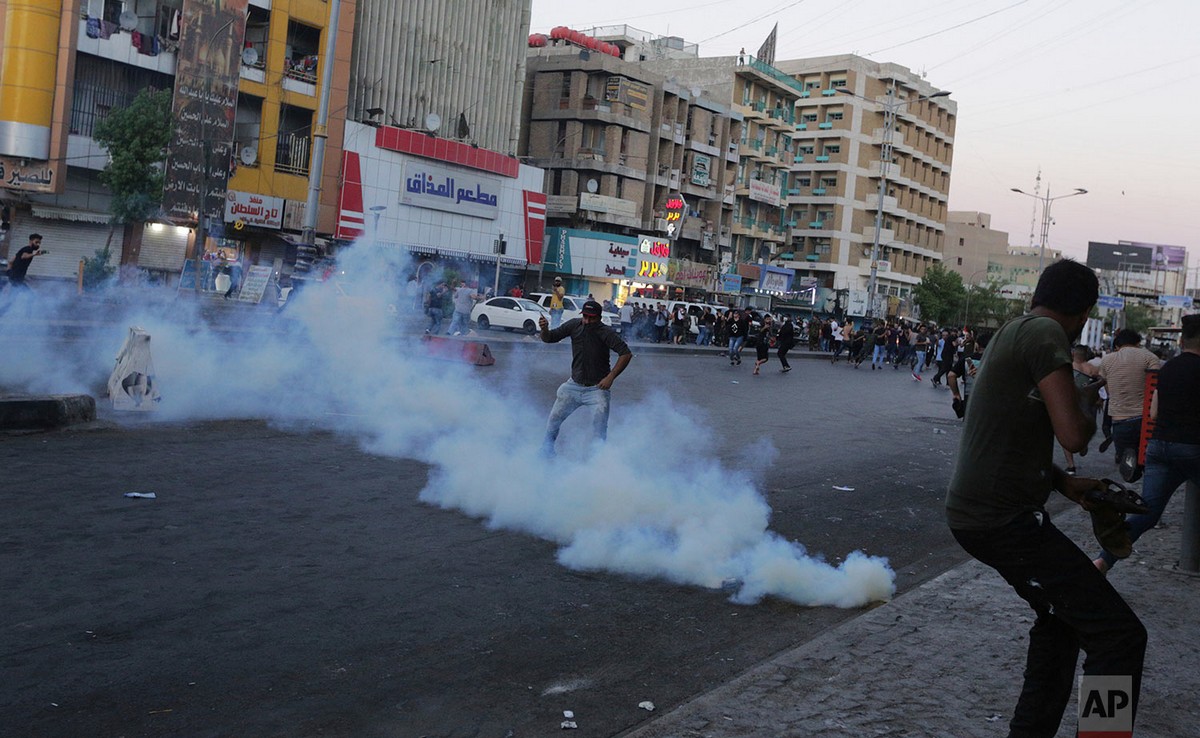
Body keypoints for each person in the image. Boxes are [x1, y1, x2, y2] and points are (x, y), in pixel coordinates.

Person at [945, 259, 1145, 738]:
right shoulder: (1046, 336)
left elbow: (1002, 438)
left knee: (1060, 627)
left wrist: (1063, 483)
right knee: (1119, 637)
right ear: (1084, 312)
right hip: (1001, 521)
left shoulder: (1015, 330)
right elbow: (1074, 436)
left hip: (989, 515)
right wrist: (1091, 398)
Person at [1094, 314, 1200, 574]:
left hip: (1160, 448)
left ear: (1182, 339)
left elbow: (1153, 414)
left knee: (1146, 513)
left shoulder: (1167, 368)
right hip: (1193, 449)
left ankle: (1102, 561)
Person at [539, 300, 633, 455]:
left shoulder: (606, 332)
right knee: (554, 419)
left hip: (597, 389)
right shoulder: (574, 325)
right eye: (585, 317)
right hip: (573, 385)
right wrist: (544, 329)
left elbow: (626, 354)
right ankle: (546, 450)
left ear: (599, 317)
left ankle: (598, 462)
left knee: (599, 428)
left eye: (592, 318)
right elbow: (549, 338)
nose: (588, 321)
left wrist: (611, 377)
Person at [1098, 329, 1161, 471]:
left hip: (1120, 420)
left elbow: (1107, 389)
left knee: (1127, 467)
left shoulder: (1107, 359)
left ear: (1117, 344)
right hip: (1145, 420)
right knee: (1147, 464)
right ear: (1138, 342)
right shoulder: (1150, 357)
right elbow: (1155, 387)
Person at [1062, 345, 1101, 475]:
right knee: (1085, 427)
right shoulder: (1092, 368)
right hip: (1088, 404)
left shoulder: (1067, 368)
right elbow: (1102, 382)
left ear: (1073, 354)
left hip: (1070, 402)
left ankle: (1071, 465)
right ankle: (1083, 444)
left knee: (1064, 432)